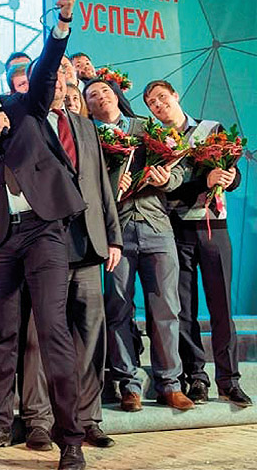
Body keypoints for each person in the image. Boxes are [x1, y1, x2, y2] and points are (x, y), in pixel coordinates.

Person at [0, 0, 87, 470]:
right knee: (1, 334)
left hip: (43, 229)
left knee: (53, 329)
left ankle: (71, 439)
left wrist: (61, 26)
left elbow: (46, 72)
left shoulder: (22, 108)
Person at [20, 63, 123, 451]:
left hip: (89, 244)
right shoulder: (28, 123)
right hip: (45, 242)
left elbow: (101, 187)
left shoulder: (84, 126)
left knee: (91, 334)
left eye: (65, 78)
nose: (60, 84)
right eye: (53, 78)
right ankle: (39, 420)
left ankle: (86, 418)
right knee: (40, 336)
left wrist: (113, 237)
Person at [84, 77, 194, 413]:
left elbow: (180, 169)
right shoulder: (87, 137)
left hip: (157, 226)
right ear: (87, 105)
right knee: (118, 308)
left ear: (117, 95)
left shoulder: (146, 127)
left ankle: (170, 384)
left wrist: (168, 178)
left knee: (166, 308)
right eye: (92, 94)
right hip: (115, 234)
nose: (101, 96)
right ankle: (128, 385)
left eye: (105, 90)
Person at [144, 80, 251, 407]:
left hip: (213, 228)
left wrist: (230, 179)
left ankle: (229, 380)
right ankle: (196, 378)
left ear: (175, 96)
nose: (159, 104)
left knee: (222, 307)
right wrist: (203, 181)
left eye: (162, 97)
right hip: (176, 229)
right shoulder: (156, 142)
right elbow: (166, 189)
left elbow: (231, 173)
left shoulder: (210, 129)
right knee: (184, 309)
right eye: (152, 103)